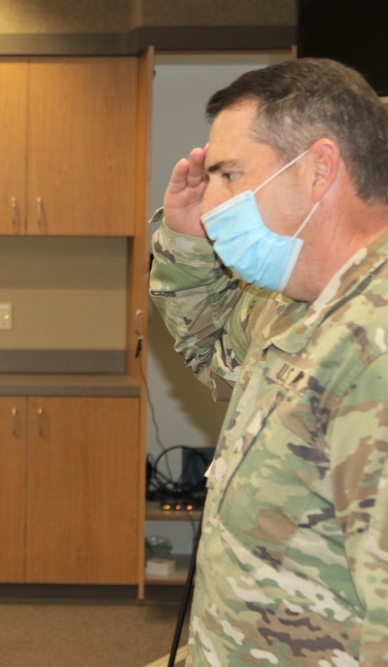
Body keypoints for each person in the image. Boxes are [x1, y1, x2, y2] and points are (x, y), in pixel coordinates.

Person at [150, 57, 388, 665]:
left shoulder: (374, 345)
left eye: (229, 174)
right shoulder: (298, 300)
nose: (212, 204)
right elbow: (212, 353)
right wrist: (190, 246)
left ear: (319, 168)